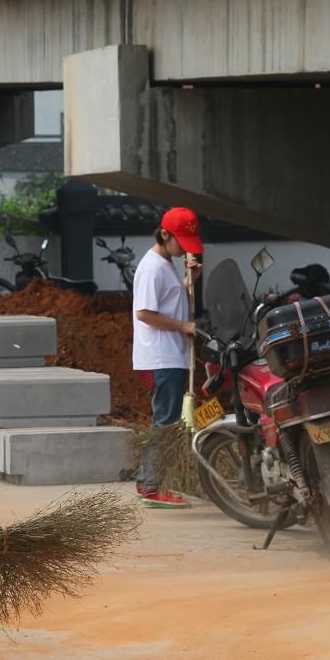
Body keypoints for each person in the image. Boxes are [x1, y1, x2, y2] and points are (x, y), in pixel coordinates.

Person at [132, 206, 204, 509]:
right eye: (181, 242)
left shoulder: (166, 263)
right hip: (161, 358)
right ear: (164, 235)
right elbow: (144, 313)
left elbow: (168, 300)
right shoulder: (152, 268)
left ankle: (147, 482)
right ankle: (152, 487)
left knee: (165, 421)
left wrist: (191, 279)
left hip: (170, 355)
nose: (184, 249)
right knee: (166, 424)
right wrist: (184, 326)